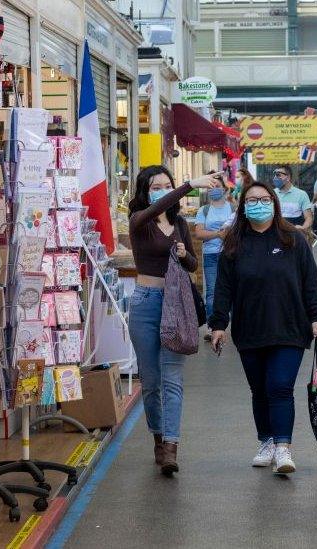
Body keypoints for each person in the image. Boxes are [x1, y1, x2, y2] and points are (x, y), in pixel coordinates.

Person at [209, 180, 317, 476]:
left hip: (289, 327)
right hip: (250, 329)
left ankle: (284, 448)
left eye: (263, 199)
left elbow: (310, 280)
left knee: (280, 386)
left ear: (273, 203)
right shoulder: (233, 245)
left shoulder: (293, 240)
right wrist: (219, 324)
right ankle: (267, 442)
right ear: (243, 207)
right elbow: (223, 288)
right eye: (251, 200)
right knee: (259, 390)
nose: (257, 204)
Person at [128, 165, 219, 476]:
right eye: (156, 185)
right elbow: (155, 208)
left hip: (176, 306)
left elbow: (193, 264)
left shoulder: (180, 223)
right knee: (150, 382)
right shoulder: (139, 221)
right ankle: (157, 434)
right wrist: (189, 184)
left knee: (172, 380)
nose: (163, 189)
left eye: (167, 184)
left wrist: (183, 254)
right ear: (145, 191)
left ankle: (170, 446)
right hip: (145, 304)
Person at [194, 174, 234, 340]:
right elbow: (199, 233)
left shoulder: (233, 208)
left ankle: (237, 323)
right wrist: (219, 234)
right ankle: (213, 326)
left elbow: (239, 229)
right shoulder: (204, 210)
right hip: (211, 255)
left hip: (231, 254)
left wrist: (226, 236)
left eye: (216, 185)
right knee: (212, 292)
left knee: (235, 289)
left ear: (224, 189)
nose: (213, 189)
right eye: (210, 186)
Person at [272, 166, 313, 234]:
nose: (275, 178)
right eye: (275, 175)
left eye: (278, 175)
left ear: (288, 177)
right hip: (276, 235)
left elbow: (309, 217)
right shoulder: (271, 193)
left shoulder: (302, 194)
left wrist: (303, 227)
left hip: (294, 236)